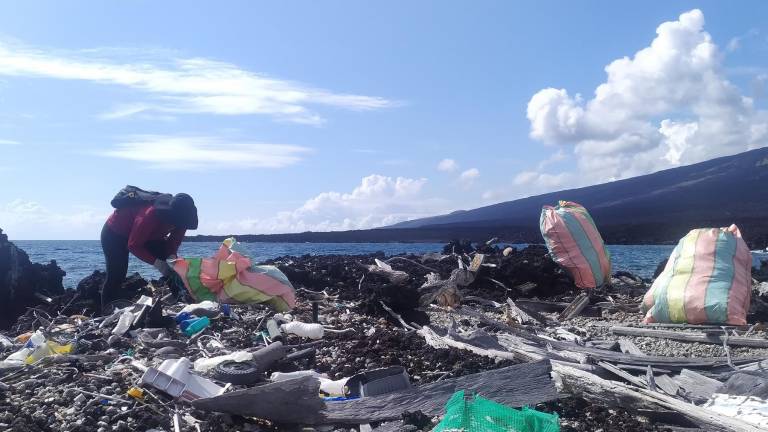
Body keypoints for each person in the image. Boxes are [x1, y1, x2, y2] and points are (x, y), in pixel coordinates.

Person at [100, 192, 198, 312]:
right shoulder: (150, 214)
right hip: (115, 233)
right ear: (169, 214)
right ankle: (106, 311)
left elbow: (173, 242)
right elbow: (134, 245)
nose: (174, 225)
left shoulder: (183, 219)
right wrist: (157, 263)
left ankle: (184, 299)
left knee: (173, 268)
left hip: (151, 236)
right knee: (117, 274)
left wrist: (171, 257)